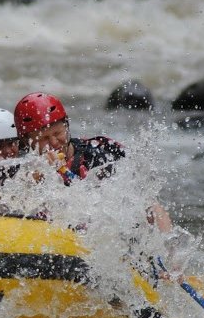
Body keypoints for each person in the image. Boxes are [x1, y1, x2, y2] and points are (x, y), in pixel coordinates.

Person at [13, 91, 173, 233]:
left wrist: (61, 171)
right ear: (27, 142)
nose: (54, 142)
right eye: (44, 139)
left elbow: (95, 204)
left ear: (67, 126)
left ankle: (172, 260)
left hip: (104, 235)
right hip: (52, 241)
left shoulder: (98, 155)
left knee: (149, 204)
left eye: (57, 133)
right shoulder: (20, 168)